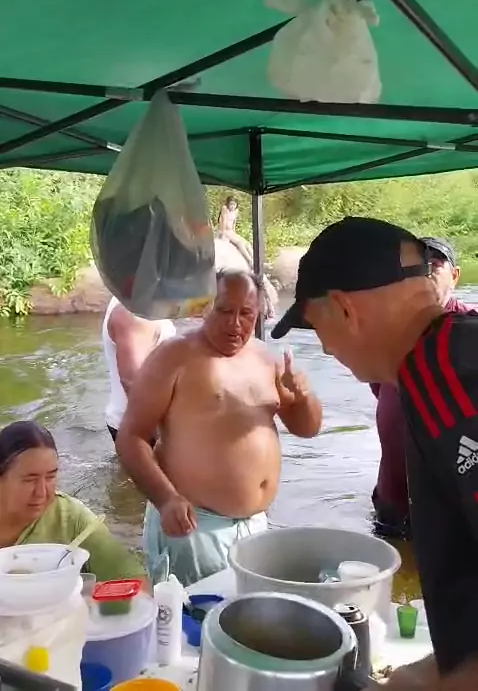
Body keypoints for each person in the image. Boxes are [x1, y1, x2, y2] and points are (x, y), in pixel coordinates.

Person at [271, 216, 478, 688]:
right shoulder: (436, 365)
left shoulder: (455, 381)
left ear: (345, 309)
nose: (326, 349)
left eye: (315, 326)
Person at [116, 269, 323, 586]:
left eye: (246, 313)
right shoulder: (172, 357)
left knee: (251, 613)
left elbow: (307, 429)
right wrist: (166, 499)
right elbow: (131, 437)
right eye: (225, 310)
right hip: (193, 525)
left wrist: (304, 395)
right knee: (192, 615)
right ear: (204, 307)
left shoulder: (265, 358)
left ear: (258, 313)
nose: (235, 324)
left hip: (255, 527)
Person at [371, 236, 475, 541]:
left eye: (436, 264)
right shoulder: (387, 338)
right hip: (391, 505)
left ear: (455, 276)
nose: (426, 271)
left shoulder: (469, 332)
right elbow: (380, 392)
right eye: (418, 265)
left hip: (449, 517)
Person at [0, 420, 147, 584]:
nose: (42, 492)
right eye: (29, 480)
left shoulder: (71, 519)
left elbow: (135, 582)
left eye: (50, 477)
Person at [103, 295, 176, 443]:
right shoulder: (134, 313)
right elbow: (133, 383)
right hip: (145, 429)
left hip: (139, 425)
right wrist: (162, 438)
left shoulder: (137, 301)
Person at [217, 195, 254, 267]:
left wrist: (235, 234)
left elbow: (234, 223)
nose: (232, 206)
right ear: (228, 203)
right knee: (240, 243)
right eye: (231, 204)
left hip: (231, 231)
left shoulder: (236, 211)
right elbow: (223, 222)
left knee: (247, 244)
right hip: (224, 231)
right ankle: (249, 260)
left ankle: (255, 260)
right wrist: (223, 234)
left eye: (234, 204)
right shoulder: (225, 208)